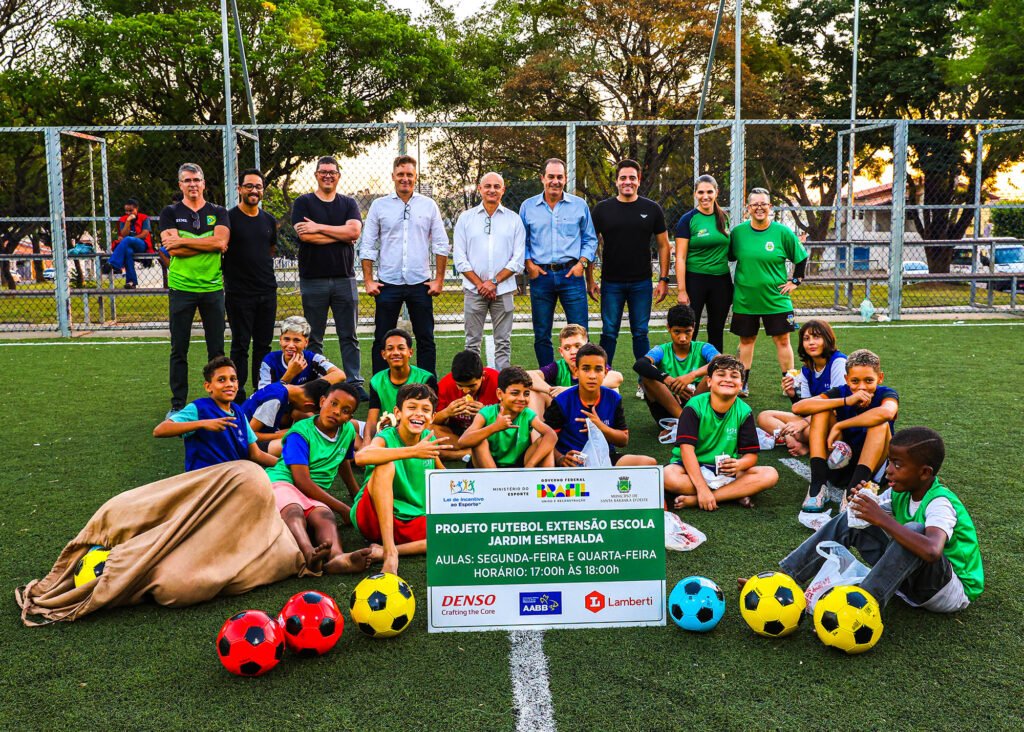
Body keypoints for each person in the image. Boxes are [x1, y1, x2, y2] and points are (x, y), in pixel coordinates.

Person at [764, 427, 982, 614]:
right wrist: (862, 501)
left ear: (924, 473)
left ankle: (859, 609)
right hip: (909, 583)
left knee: (915, 530)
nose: (888, 471)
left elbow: (933, 551)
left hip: (948, 591)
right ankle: (785, 580)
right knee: (851, 518)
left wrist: (881, 519)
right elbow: (865, 514)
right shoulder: (900, 492)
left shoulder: (940, 502)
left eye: (897, 465)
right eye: (889, 462)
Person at [264, 382, 374, 574]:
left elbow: (343, 462)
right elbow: (301, 481)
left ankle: (337, 558)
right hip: (283, 483)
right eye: (333, 403)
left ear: (350, 417)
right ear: (322, 401)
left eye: (345, 410)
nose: (337, 412)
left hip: (313, 494)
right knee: (294, 511)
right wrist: (342, 508)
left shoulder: (347, 431)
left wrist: (356, 495)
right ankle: (308, 554)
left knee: (325, 516)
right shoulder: (300, 432)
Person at [360, 155, 449, 376]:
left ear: (415, 176)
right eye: (401, 174)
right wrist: (369, 280)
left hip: (420, 283)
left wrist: (439, 280)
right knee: (382, 339)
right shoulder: (379, 206)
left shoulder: (428, 205)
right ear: (393, 176)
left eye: (409, 174)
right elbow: (368, 244)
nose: (405, 179)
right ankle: (380, 389)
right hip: (388, 283)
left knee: (426, 338)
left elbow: (441, 243)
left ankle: (427, 387)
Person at [352, 383, 448, 576]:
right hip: (374, 517)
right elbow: (361, 457)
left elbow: (444, 479)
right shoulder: (387, 436)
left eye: (426, 410)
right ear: (398, 413)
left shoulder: (428, 442)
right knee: (386, 463)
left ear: (433, 417)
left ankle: (386, 551)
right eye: (411, 408)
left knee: (451, 534)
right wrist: (413, 451)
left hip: (411, 520)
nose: (419, 414)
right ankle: (389, 552)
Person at [291, 156, 366, 399]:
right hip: (313, 279)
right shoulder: (303, 203)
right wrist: (340, 235)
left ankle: (354, 382)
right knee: (314, 337)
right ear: (316, 175)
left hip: (345, 279)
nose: (327, 175)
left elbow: (354, 231)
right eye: (323, 172)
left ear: (338, 176)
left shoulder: (348, 203)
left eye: (332, 172)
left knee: (349, 335)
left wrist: (319, 227)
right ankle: (316, 383)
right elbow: (306, 237)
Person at [158, 163, 230, 417]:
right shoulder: (170, 212)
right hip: (182, 288)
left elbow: (221, 241)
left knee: (217, 350)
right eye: (187, 180)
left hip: (212, 288)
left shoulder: (218, 212)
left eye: (196, 180)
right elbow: (173, 250)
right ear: (180, 185)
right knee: (179, 348)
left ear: (203, 183)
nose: (192, 184)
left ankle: (220, 403)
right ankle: (178, 404)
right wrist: (206, 243)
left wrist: (184, 240)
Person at [663, 354, 778, 510]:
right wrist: (702, 486)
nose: (728, 379)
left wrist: (739, 464)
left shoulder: (744, 411)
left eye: (734, 376)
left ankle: (699, 499)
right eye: (721, 374)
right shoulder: (694, 406)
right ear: (709, 381)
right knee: (667, 476)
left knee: (770, 474)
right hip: (690, 468)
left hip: (724, 471)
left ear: (741, 384)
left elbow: (751, 456)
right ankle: (735, 492)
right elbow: (686, 450)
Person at [588, 159, 670, 373]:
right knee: (609, 333)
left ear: (639, 180)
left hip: (641, 283)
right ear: (616, 181)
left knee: (641, 332)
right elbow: (589, 244)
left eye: (632, 178)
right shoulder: (602, 209)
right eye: (623, 178)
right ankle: (603, 377)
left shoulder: (652, 209)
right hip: (611, 283)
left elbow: (663, 245)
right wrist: (590, 280)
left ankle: (646, 381)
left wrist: (663, 279)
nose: (627, 182)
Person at [792, 349, 898, 512]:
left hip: (873, 469)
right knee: (821, 411)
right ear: (846, 379)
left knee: (880, 423)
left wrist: (840, 425)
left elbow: (887, 412)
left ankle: (853, 491)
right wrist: (846, 400)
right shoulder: (842, 392)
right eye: (855, 381)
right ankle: (818, 485)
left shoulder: (886, 393)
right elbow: (798, 407)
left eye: (869, 380)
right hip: (841, 462)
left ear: (880, 378)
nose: (862, 387)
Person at [728, 187, 808, 397]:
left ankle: (790, 383)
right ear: (748, 208)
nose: (759, 208)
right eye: (755, 204)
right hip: (746, 299)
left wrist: (795, 281)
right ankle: (742, 384)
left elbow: (801, 257)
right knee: (746, 340)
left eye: (763, 204)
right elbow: (727, 256)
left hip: (776, 299)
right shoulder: (738, 233)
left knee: (783, 340)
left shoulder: (783, 233)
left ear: (770, 207)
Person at [520, 158, 597, 367]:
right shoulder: (528, 207)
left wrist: (581, 263)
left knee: (580, 332)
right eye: (551, 176)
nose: (555, 181)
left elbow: (590, 239)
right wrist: (529, 264)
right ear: (542, 178)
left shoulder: (579, 206)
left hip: (571, 275)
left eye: (559, 177)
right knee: (542, 333)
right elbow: (521, 240)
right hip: (541, 276)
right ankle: (549, 379)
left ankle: (580, 378)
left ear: (565, 179)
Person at [452, 172, 526, 371]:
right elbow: (460, 258)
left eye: (496, 186)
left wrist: (493, 282)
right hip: (474, 291)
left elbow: (518, 259)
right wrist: (480, 284)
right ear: (480, 189)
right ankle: (472, 383)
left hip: (504, 290)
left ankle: (503, 385)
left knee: (503, 342)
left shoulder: (514, 220)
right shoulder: (466, 219)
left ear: (503, 190)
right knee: (471, 343)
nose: (492, 190)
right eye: (487, 186)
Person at [152, 356, 277, 472]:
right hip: (206, 479)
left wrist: (284, 465)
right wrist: (202, 424)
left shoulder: (238, 412)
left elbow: (255, 454)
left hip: (233, 476)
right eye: (221, 380)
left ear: (238, 384)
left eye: (233, 379)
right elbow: (160, 430)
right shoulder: (199, 408)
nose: (229, 384)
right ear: (208, 386)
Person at [543, 343, 656, 468]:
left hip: (605, 458)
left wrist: (600, 426)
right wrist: (560, 458)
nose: (592, 375)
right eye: (586, 369)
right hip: (572, 462)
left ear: (605, 372)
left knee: (649, 464)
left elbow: (623, 440)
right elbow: (544, 440)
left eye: (598, 369)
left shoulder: (613, 398)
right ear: (576, 371)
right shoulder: (562, 401)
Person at [224, 169, 278, 401]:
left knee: (263, 346)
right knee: (240, 345)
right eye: (249, 186)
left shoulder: (269, 220)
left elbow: (269, 250)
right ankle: (238, 393)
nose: (254, 190)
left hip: (266, 291)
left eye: (258, 186)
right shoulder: (229, 218)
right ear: (240, 189)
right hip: (239, 294)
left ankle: (261, 389)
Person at [756, 319, 847, 456]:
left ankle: (807, 445)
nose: (811, 342)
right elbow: (805, 410)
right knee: (765, 416)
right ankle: (792, 438)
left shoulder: (838, 362)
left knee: (811, 428)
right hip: (813, 421)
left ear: (827, 339)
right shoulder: (806, 370)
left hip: (838, 422)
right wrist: (793, 395)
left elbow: (836, 407)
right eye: (806, 338)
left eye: (816, 337)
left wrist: (803, 423)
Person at [632, 304, 719, 435]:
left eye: (688, 331)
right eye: (677, 331)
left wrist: (692, 375)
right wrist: (667, 379)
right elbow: (639, 364)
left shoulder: (703, 348)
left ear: (694, 327)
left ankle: (684, 423)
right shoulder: (662, 350)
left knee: (714, 374)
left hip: (697, 403)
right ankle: (684, 421)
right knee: (646, 377)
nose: (683, 338)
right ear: (668, 327)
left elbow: (722, 362)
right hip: (669, 407)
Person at [674, 174, 732, 352]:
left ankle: (716, 372)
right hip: (695, 280)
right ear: (695, 194)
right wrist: (682, 290)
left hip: (721, 281)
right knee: (691, 330)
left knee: (716, 330)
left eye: (709, 191)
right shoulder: (687, 220)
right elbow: (680, 258)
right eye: (701, 192)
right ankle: (689, 372)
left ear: (716, 193)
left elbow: (729, 251)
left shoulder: (723, 217)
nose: (705, 196)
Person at [459, 366, 557, 468]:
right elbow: (462, 442)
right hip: (488, 466)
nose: (522, 398)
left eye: (526, 393)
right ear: (500, 394)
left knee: (544, 443)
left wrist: (530, 466)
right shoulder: (486, 413)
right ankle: (496, 481)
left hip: (519, 466)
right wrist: (495, 427)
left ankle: (542, 480)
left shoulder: (527, 414)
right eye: (515, 393)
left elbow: (551, 435)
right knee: (479, 440)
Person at [527, 324, 624, 414]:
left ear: (586, 346)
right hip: (567, 411)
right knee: (535, 392)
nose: (573, 352)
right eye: (567, 348)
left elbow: (617, 378)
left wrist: (570, 390)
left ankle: (605, 428)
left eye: (577, 346)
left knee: (613, 389)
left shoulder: (593, 361)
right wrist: (550, 390)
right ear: (561, 352)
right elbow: (528, 375)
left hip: (593, 412)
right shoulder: (559, 367)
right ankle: (539, 432)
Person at [365, 328, 438, 441]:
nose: (395, 352)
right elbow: (372, 419)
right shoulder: (376, 380)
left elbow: (430, 416)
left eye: (401, 348)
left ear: (410, 352)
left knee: (437, 432)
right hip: (387, 429)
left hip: (417, 426)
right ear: (383, 354)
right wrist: (366, 441)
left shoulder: (426, 378)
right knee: (350, 425)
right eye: (390, 349)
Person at [433, 350, 500, 461]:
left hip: (485, 434)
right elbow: (430, 421)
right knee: (427, 429)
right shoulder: (446, 384)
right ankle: (470, 451)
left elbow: (512, 420)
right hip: (458, 436)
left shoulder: (497, 381)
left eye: (472, 386)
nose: (465, 391)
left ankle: (453, 454)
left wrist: (487, 413)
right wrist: (446, 413)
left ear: (482, 376)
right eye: (460, 386)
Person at [257, 315, 346, 389]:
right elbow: (263, 395)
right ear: (280, 340)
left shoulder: (313, 359)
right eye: (286, 339)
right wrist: (289, 374)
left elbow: (340, 375)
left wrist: (303, 390)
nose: (291, 345)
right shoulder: (270, 360)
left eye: (296, 340)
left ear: (306, 342)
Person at [241, 377, 331, 445]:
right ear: (309, 405)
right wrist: (285, 435)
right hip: (240, 444)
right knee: (296, 442)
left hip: (244, 435)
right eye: (313, 411)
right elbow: (249, 435)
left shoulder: (281, 388)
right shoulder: (275, 400)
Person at [105, 198, 153, 289]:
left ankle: (113, 263)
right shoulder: (123, 219)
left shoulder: (144, 218)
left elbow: (144, 234)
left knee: (126, 240)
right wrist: (128, 221)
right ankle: (131, 282)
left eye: (131, 211)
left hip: (142, 245)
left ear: (136, 209)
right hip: (127, 246)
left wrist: (129, 239)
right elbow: (123, 234)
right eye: (126, 211)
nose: (128, 213)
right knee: (127, 251)